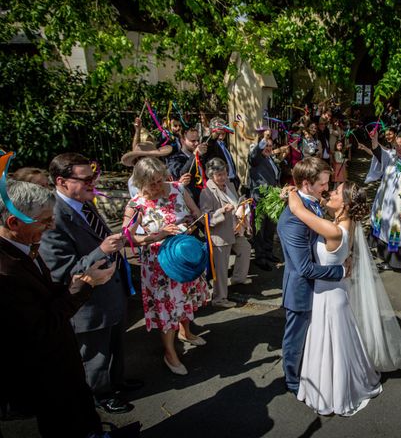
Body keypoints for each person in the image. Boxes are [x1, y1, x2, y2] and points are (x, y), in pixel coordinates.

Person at [0, 180, 115, 438]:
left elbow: (47, 295)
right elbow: (40, 326)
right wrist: (84, 286)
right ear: (13, 223)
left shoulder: (24, 246)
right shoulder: (5, 271)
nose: (51, 226)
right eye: (44, 221)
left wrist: (78, 282)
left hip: (63, 360)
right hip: (45, 372)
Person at [39, 153, 139, 415]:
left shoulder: (84, 202)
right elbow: (62, 270)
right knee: (95, 355)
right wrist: (102, 250)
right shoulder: (53, 217)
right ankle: (100, 395)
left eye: (93, 177)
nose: (93, 183)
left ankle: (117, 382)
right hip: (88, 302)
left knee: (115, 344)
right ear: (61, 181)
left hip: (111, 292)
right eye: (85, 179)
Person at [287, 181, 383, 415]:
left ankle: (333, 393)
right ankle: (339, 383)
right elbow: (319, 205)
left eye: (336, 192)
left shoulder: (333, 230)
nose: (330, 193)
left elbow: (298, 210)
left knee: (328, 343)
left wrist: (291, 191)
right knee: (338, 344)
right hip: (335, 291)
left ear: (347, 203)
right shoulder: (344, 223)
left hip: (328, 295)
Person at [122, 157, 209, 375]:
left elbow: (196, 215)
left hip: (184, 256)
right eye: (152, 183)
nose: (159, 186)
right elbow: (127, 238)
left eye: (161, 180)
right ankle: (170, 353)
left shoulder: (178, 189)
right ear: (140, 182)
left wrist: (190, 226)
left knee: (186, 299)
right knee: (169, 310)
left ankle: (186, 332)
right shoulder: (136, 205)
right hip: (160, 266)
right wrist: (157, 236)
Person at [276, 157, 345, 395]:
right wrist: (340, 271)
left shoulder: (310, 203)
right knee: (295, 339)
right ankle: (292, 380)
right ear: (306, 184)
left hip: (319, 287)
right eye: (323, 184)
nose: (327, 188)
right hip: (301, 289)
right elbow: (304, 268)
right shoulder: (293, 220)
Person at [199, 158, 252, 308]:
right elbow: (206, 218)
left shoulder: (229, 185)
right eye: (219, 175)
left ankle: (237, 279)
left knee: (246, 248)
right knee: (221, 270)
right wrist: (222, 211)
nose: (223, 177)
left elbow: (235, 203)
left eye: (224, 173)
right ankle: (219, 299)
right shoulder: (206, 192)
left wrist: (242, 206)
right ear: (211, 176)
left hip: (235, 229)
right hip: (220, 235)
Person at [368, 128, 401, 271]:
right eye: (397, 145)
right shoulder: (391, 158)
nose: (399, 148)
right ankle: (386, 258)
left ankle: (396, 263)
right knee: (385, 230)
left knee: (396, 231)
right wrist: (374, 139)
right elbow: (377, 152)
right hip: (386, 204)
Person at [249, 137, 282, 271]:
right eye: (265, 146)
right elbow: (253, 155)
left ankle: (268, 253)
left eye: (270, 146)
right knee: (259, 230)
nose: (268, 148)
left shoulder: (271, 159)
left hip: (273, 200)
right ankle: (260, 258)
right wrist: (262, 141)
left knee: (269, 228)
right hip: (260, 200)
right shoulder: (257, 159)